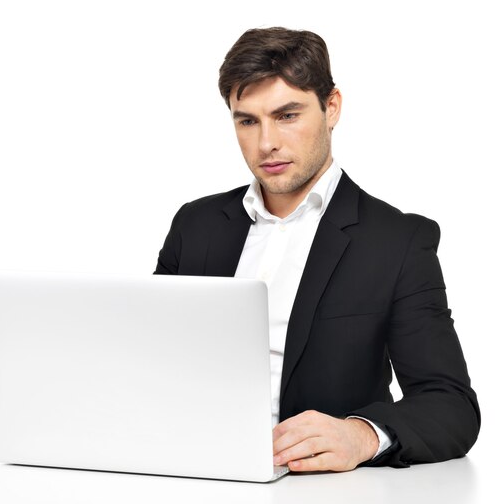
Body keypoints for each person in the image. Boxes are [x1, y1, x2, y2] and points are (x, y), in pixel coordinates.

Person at [154, 27, 480, 471]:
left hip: (316, 484)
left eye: (287, 115)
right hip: (186, 465)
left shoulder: (397, 242)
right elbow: (147, 359)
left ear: (332, 108)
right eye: (247, 120)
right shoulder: (195, 225)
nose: (266, 142)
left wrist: (361, 434)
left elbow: (452, 405)